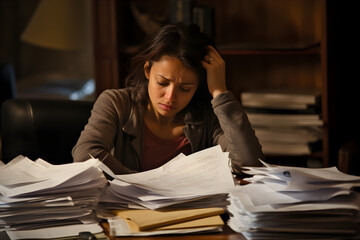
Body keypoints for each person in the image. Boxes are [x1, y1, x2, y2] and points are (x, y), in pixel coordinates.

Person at [72, 22, 264, 174]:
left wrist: (220, 92)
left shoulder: (208, 115)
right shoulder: (116, 103)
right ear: (147, 70)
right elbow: (86, 155)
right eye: (163, 83)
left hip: (194, 216)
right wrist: (146, 184)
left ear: (198, 86)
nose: (170, 97)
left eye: (185, 88)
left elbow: (249, 164)